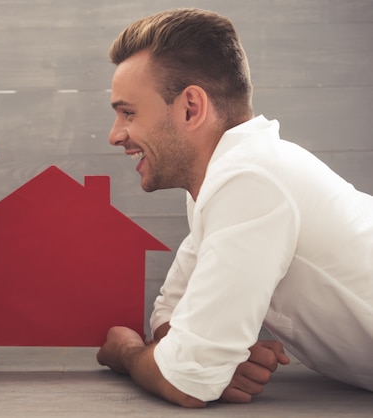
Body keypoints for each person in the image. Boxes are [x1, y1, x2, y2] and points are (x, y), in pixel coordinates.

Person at [96, 8, 373, 408]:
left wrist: (126, 353)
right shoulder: (223, 183)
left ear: (191, 107)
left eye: (128, 113)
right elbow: (168, 316)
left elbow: (186, 381)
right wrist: (209, 361)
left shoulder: (251, 181)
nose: (115, 135)